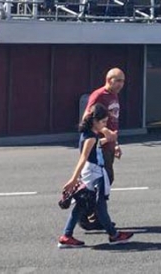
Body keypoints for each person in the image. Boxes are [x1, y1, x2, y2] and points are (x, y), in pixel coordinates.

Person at [58, 104, 133, 248]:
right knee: (100, 204)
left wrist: (108, 140)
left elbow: (94, 145)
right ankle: (114, 235)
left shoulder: (88, 134)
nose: (105, 125)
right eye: (103, 122)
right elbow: (83, 157)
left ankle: (66, 235)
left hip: (88, 172)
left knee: (81, 204)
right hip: (95, 173)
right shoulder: (91, 138)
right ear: (94, 121)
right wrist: (73, 179)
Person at [81, 68, 126, 231]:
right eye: (118, 80)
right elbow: (87, 118)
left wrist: (116, 143)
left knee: (106, 181)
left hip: (109, 145)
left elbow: (113, 121)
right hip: (98, 146)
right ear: (109, 80)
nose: (121, 84)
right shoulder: (99, 95)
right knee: (100, 183)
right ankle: (85, 214)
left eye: (123, 81)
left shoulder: (114, 96)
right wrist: (105, 132)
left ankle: (95, 216)